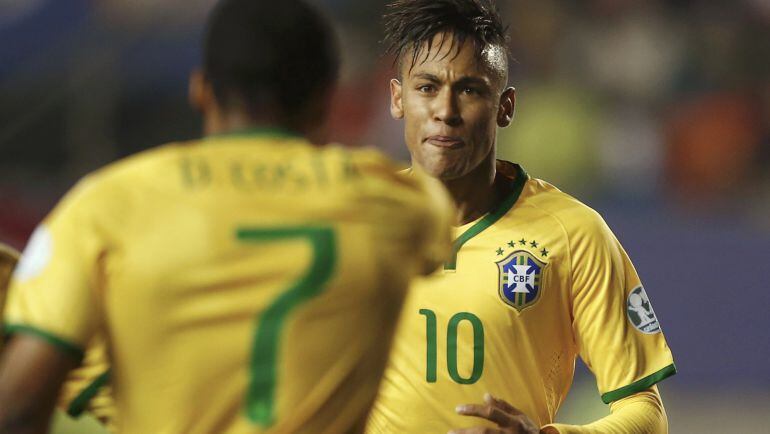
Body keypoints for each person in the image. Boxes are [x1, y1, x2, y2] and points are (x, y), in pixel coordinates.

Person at [0, 0, 454, 432]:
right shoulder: (398, 202)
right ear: (326, 99)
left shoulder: (106, 204)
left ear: (201, 90)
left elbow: (19, 406)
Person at [365, 1, 676, 433]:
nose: (446, 111)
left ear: (505, 106)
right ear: (398, 98)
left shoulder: (574, 234)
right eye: (427, 87)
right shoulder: (357, 225)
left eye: (470, 90)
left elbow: (648, 414)